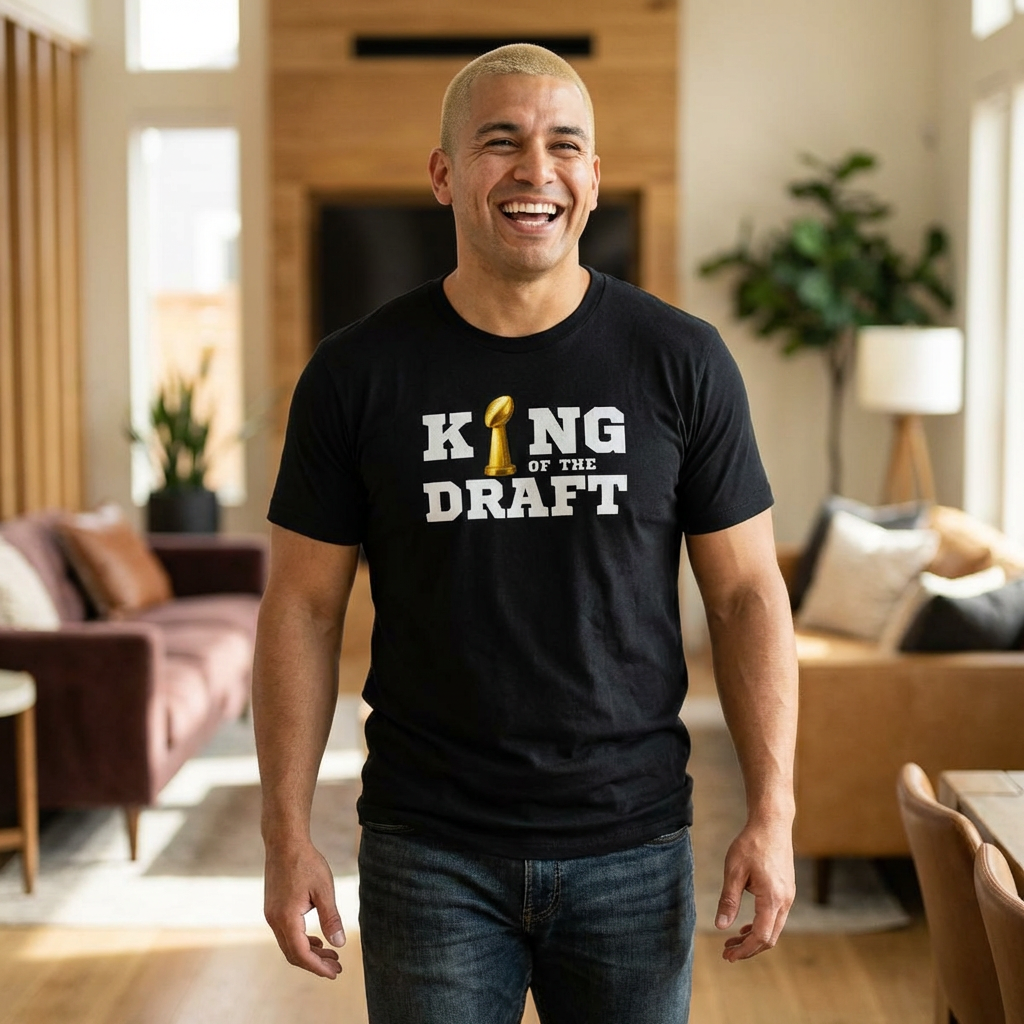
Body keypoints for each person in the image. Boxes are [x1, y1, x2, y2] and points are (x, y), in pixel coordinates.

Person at [254, 42, 798, 1024]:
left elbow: (747, 594)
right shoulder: (355, 375)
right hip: (430, 848)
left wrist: (773, 810)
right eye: (500, 142)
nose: (534, 169)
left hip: (631, 842)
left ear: (591, 176)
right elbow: (299, 605)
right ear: (444, 173)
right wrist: (283, 829)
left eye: (563, 146)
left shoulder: (681, 360)